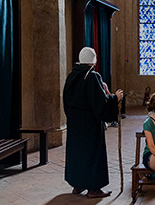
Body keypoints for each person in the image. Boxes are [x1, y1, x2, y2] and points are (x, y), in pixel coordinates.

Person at [62, 47, 123, 198]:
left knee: (77, 153)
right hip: (90, 125)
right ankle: (93, 189)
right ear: (94, 60)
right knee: (92, 154)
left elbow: (66, 100)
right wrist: (114, 98)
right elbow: (98, 104)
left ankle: (78, 184)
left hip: (75, 124)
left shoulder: (72, 75)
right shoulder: (92, 75)